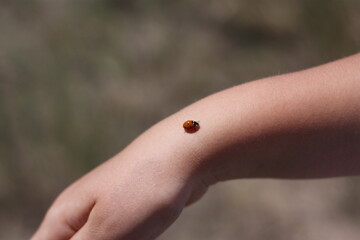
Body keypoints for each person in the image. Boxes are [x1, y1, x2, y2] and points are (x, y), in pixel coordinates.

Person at [31, 53, 360, 240]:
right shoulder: (191, 131)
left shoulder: (192, 130)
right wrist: (181, 152)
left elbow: (193, 131)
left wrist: (184, 150)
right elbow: (192, 131)